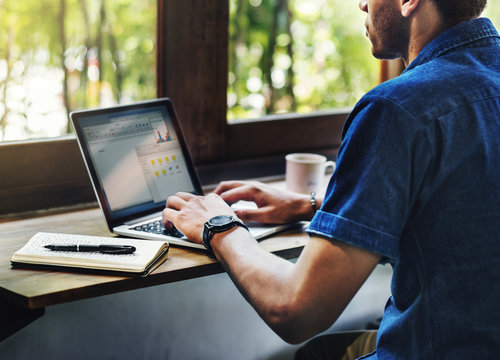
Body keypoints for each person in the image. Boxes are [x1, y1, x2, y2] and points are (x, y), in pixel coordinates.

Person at [163, 0, 500, 358]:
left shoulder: (398, 109)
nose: (362, 4)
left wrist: (219, 226)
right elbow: (468, 199)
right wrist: (313, 205)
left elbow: (294, 310)